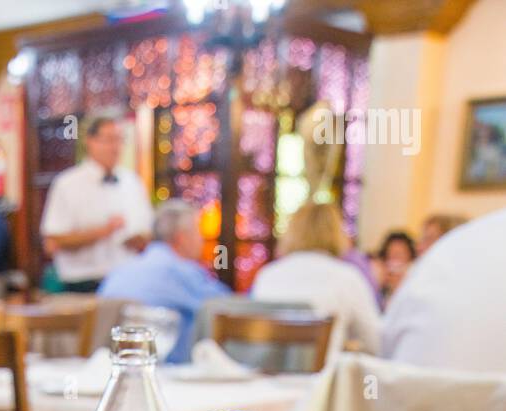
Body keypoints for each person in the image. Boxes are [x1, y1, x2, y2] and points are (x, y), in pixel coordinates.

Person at [97, 199, 227, 362]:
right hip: (170, 375)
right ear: (182, 238)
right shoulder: (183, 272)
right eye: (199, 232)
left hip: (115, 368)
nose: (202, 240)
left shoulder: (119, 271)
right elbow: (228, 308)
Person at [382, 207, 506, 372]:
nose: (419, 247)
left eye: (428, 239)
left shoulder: (428, 278)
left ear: (452, 239)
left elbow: (384, 345)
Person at [251, 200, 381, 355]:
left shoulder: (267, 275)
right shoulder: (347, 278)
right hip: (320, 377)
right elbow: (375, 343)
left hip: (266, 376)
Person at [40, 115, 152, 293]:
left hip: (128, 279)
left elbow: (146, 230)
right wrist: (103, 231)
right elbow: (53, 240)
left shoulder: (132, 182)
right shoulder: (67, 184)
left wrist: (139, 239)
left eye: (119, 140)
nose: (115, 147)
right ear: (89, 141)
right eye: (108, 140)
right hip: (83, 282)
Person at [372, 230, 416, 306]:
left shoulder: (415, 281)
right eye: (391, 254)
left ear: (410, 257)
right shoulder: (378, 283)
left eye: (399, 254)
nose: (395, 261)